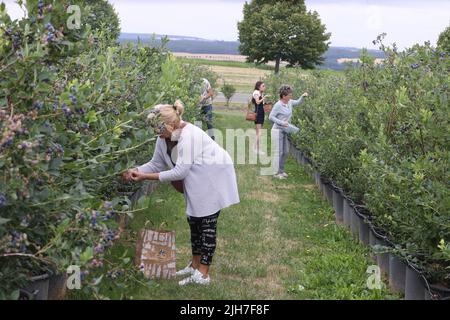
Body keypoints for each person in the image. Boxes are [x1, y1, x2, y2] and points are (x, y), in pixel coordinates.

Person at [123, 100, 240, 286]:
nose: (155, 132)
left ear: (170, 125)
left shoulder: (189, 136)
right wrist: (136, 169)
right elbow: (156, 163)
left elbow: (180, 172)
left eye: (158, 128)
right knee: (194, 220)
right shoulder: (164, 138)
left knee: (207, 223)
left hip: (214, 174)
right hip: (199, 176)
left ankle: (203, 274)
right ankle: (194, 266)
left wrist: (145, 176)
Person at [269, 85, 308, 180]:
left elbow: (298, 102)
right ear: (283, 96)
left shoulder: (289, 102)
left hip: (285, 130)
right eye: (289, 95)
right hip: (277, 130)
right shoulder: (278, 105)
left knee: (285, 151)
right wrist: (282, 122)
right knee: (279, 152)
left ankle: (281, 171)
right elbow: (271, 117)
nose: (291, 96)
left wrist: (303, 96)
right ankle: (276, 173)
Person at [252, 81, 267, 155]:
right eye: (263, 86)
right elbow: (257, 102)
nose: (264, 87)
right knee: (259, 132)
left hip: (262, 113)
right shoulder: (256, 92)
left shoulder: (261, 93)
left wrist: (265, 101)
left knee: (258, 132)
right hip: (258, 114)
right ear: (258, 87)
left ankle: (257, 148)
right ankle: (256, 148)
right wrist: (263, 98)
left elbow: (262, 104)